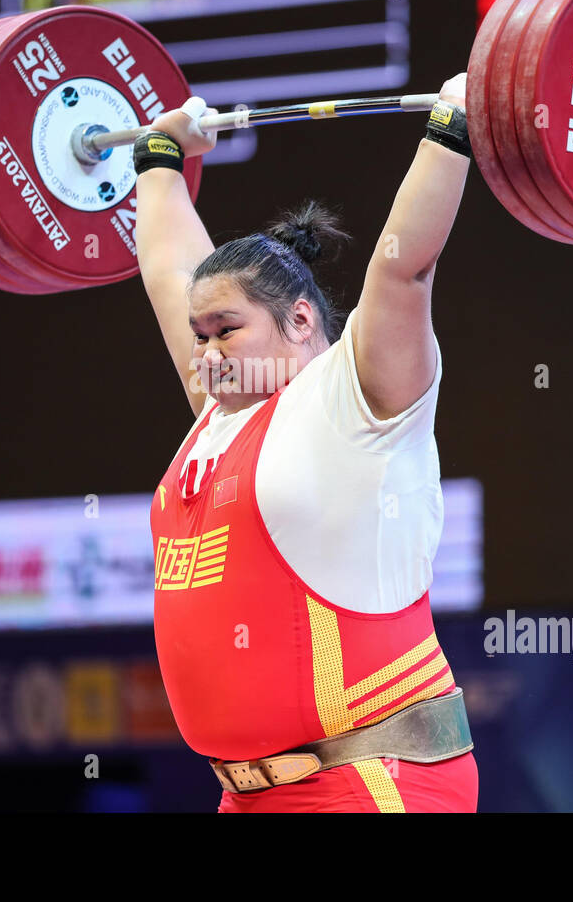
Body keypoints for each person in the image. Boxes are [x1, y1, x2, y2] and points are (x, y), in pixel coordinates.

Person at [135, 74, 477, 812]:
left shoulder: (355, 401)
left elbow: (404, 269)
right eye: (200, 336)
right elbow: (167, 270)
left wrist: (451, 131)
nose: (207, 351)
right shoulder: (218, 413)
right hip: (251, 795)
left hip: (372, 778)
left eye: (226, 330)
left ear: (297, 321)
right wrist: (160, 158)